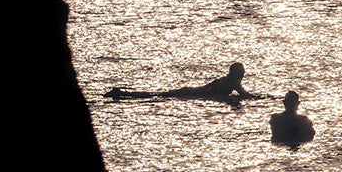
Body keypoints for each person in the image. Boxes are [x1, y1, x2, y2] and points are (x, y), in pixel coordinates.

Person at [106, 62, 255, 103]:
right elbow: (246, 96)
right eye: (242, 72)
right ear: (237, 73)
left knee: (156, 95)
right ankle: (121, 94)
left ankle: (122, 93)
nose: (244, 74)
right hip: (191, 93)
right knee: (153, 96)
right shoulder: (232, 83)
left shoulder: (227, 80)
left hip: (190, 91)